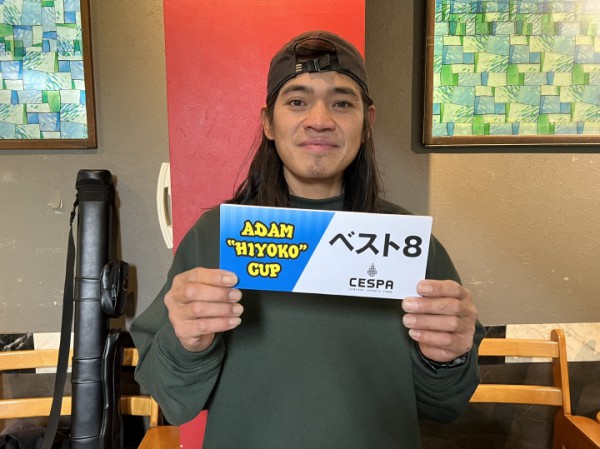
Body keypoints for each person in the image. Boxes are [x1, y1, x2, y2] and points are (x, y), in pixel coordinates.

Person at [131, 30, 484, 449]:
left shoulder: (407, 246)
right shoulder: (215, 237)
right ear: (268, 122)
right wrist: (187, 344)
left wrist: (449, 357)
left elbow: (446, 404)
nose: (319, 119)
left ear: (367, 123)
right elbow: (172, 400)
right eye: (297, 101)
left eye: (342, 103)